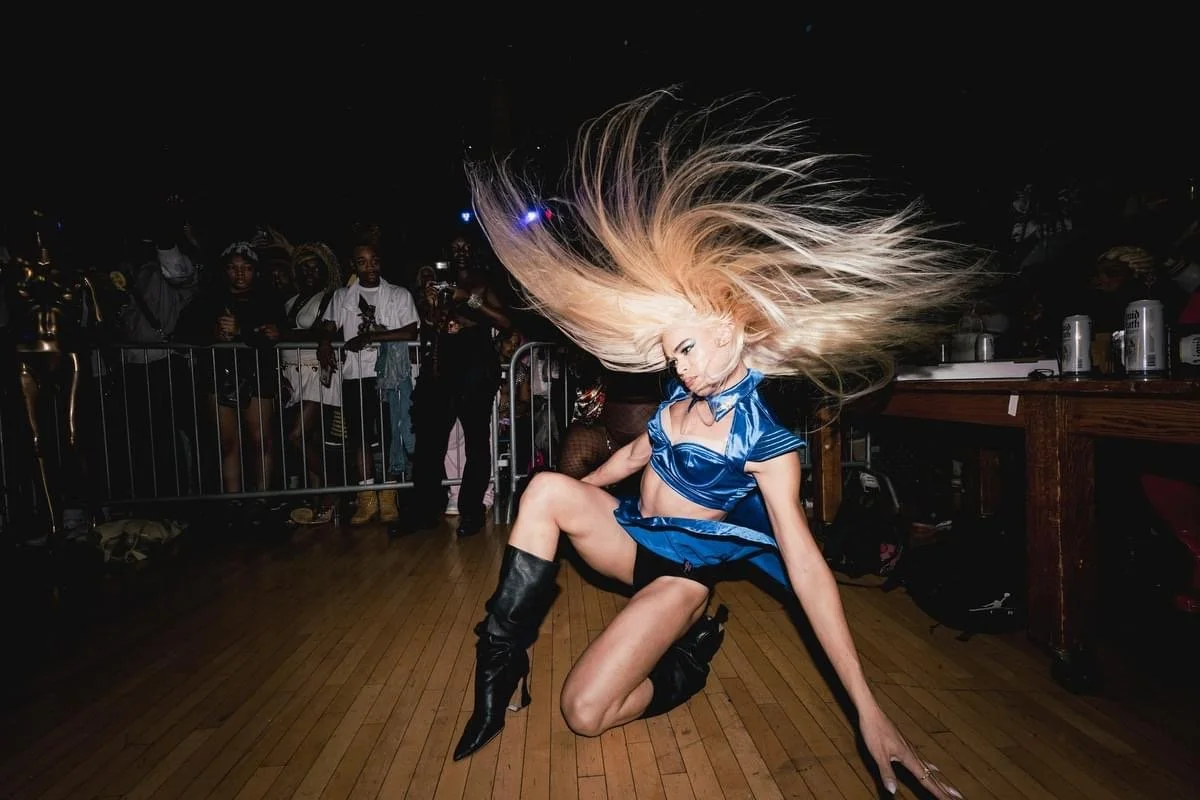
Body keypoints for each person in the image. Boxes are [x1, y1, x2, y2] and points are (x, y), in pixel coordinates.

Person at [451, 91, 976, 800]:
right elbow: (637, 457)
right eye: (673, 356)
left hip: (679, 577)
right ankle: (499, 669)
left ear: (730, 325)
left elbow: (811, 575)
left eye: (691, 347)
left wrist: (868, 711)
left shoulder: (766, 439)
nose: (683, 366)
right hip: (631, 537)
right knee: (545, 488)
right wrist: (585, 496)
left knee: (585, 713)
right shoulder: (684, 391)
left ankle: (685, 663)